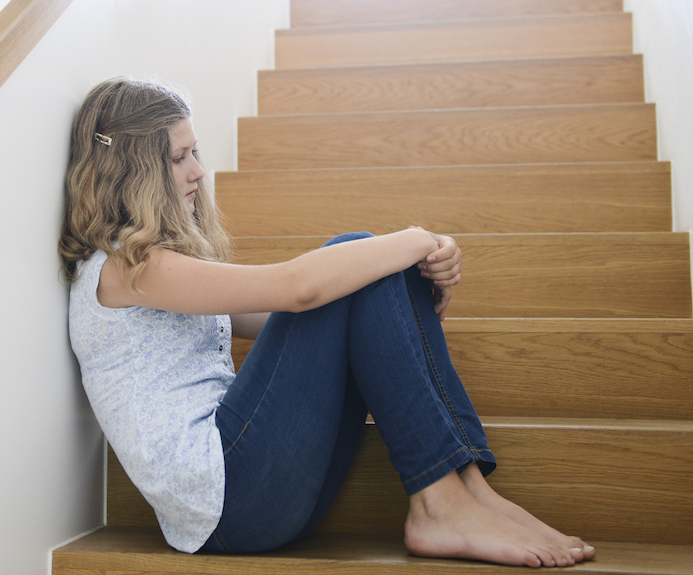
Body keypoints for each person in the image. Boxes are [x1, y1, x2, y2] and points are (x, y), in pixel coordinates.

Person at [59, 78, 595, 568]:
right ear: (134, 173)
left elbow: (291, 315)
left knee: (365, 273)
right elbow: (298, 289)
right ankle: (439, 503)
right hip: (228, 498)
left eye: (194, 151)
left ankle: (468, 489)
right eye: (180, 158)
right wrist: (416, 238)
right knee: (354, 256)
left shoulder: (149, 266)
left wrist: (410, 276)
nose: (199, 169)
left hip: (255, 489)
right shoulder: (128, 270)